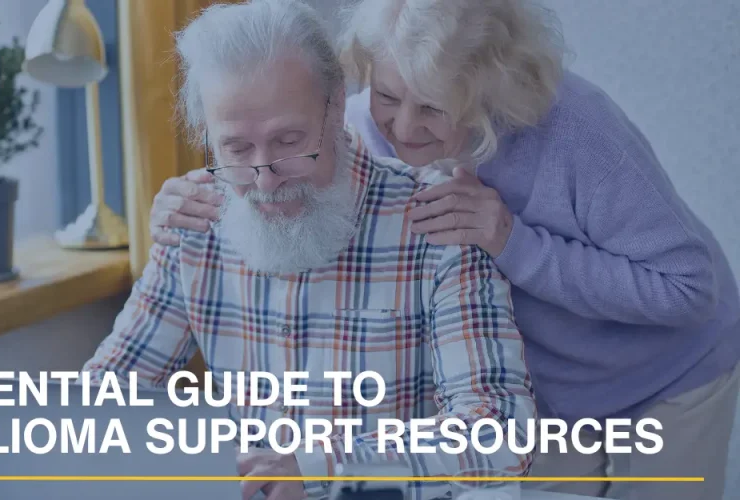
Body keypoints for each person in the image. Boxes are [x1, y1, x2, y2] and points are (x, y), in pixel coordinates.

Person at [148, 1, 740, 499]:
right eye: (387, 95)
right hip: (540, 395)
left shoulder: (576, 133)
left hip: (666, 380)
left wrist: (512, 241)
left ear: (490, 90)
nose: (402, 128)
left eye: (433, 106)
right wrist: (184, 205)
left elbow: (687, 288)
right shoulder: (357, 128)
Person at [83, 1, 537, 499]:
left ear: (337, 105)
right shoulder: (194, 221)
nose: (264, 178)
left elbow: (501, 436)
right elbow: (106, 401)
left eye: (288, 141)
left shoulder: (435, 222)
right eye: (235, 149)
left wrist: (319, 468)